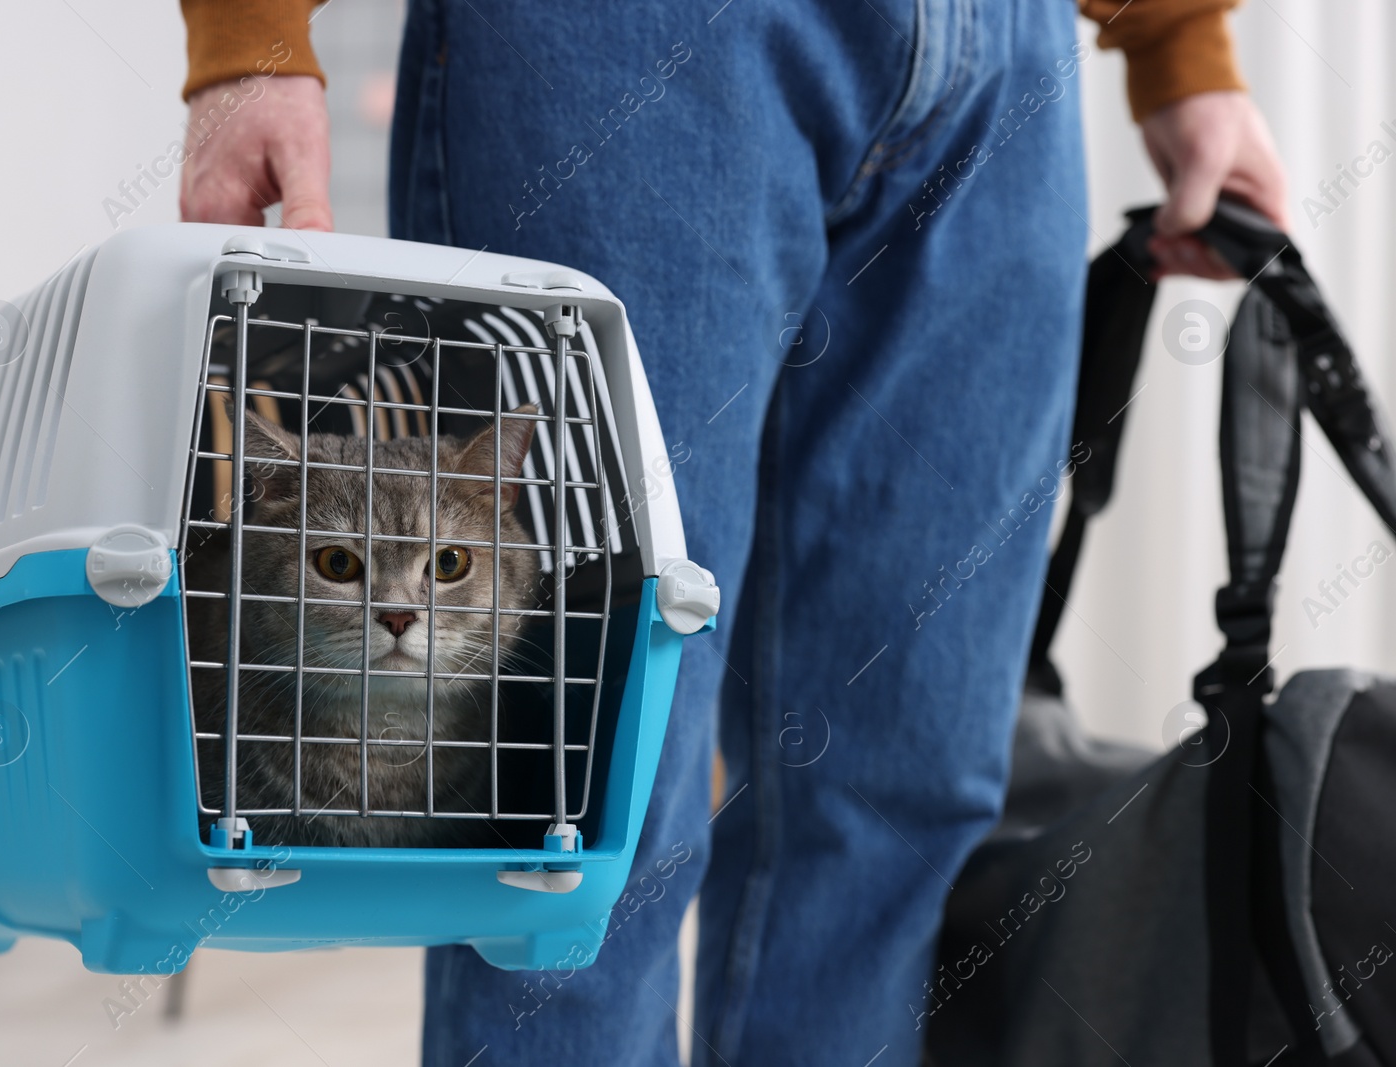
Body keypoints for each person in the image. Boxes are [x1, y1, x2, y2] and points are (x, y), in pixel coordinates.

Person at [175, 1, 1288, 1063]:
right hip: (623, 38)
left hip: (1005, 55)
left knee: (907, 769)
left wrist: (1180, 39)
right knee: (592, 795)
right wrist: (250, 33)